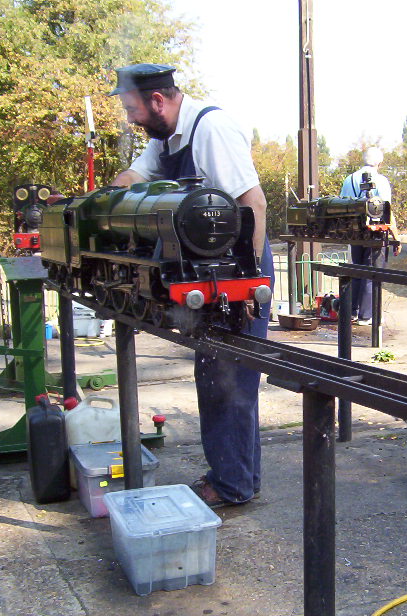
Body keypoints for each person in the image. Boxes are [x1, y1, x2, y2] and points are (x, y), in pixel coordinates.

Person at [109, 63, 273, 507]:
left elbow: (253, 203)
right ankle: (240, 477)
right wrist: (101, 199)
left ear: (157, 101)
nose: (130, 118)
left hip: (237, 265)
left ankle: (232, 484)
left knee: (229, 380)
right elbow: (135, 177)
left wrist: (250, 282)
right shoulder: (165, 138)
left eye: (132, 109)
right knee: (220, 375)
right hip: (206, 264)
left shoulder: (210, 128)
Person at [339, 146, 398, 326]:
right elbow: (386, 210)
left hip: (354, 231)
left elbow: (341, 204)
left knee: (357, 269)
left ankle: (353, 311)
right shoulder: (381, 180)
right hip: (375, 232)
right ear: (380, 162)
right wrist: (396, 236)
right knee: (372, 272)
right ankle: (367, 315)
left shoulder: (349, 179)